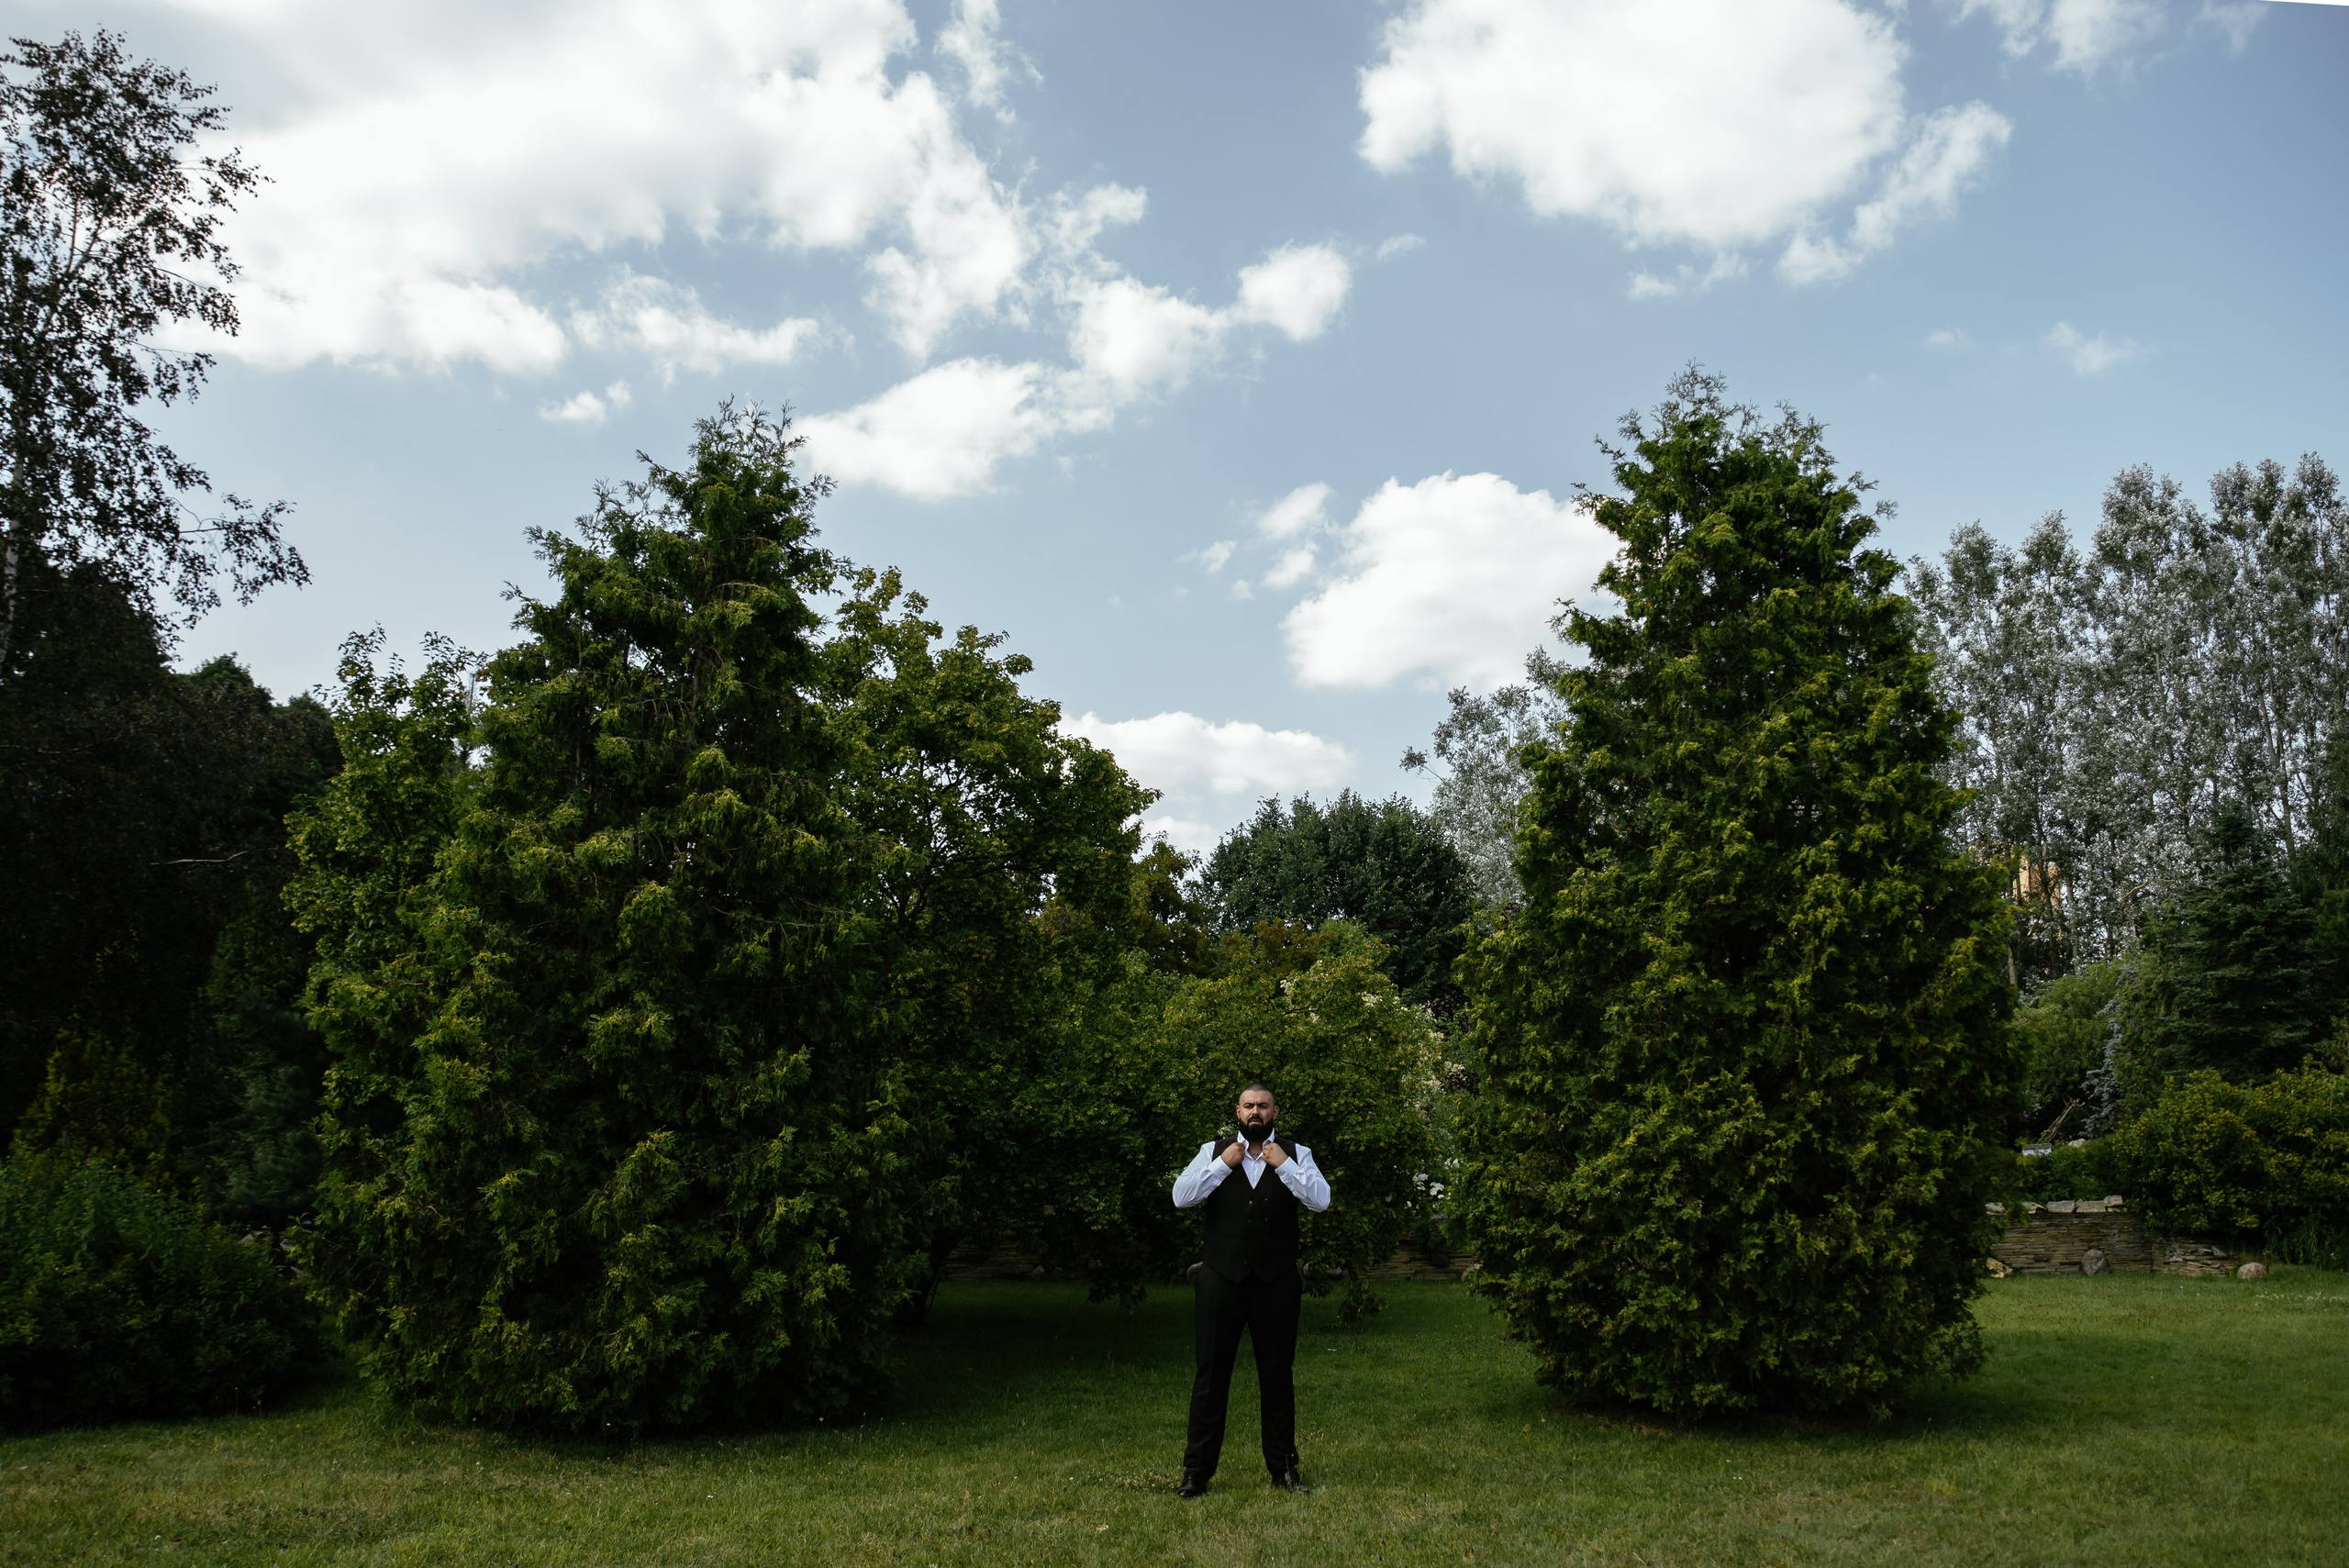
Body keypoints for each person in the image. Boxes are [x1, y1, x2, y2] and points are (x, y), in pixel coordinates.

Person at [1170, 1082, 1330, 1498]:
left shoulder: (1297, 1155)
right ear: (1238, 1112)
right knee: (1210, 1377)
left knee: (1277, 1377)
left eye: (1263, 1106)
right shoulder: (1214, 1150)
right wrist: (1223, 1165)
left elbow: (1321, 1201)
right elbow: (1181, 1197)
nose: (1255, 1112)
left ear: (1276, 1112)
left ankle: (1284, 1469)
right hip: (1220, 1282)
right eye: (1248, 1106)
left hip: (1276, 1284)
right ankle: (1196, 1472)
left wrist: (1285, 1167)